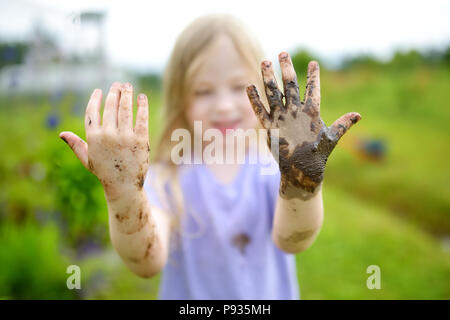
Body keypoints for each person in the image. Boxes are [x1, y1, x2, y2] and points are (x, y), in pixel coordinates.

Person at [59, 14, 361, 299]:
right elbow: (146, 262)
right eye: (204, 91)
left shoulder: (273, 168)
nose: (224, 106)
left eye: (239, 88)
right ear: (180, 99)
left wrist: (300, 179)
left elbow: (293, 240)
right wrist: (124, 196)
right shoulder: (166, 176)